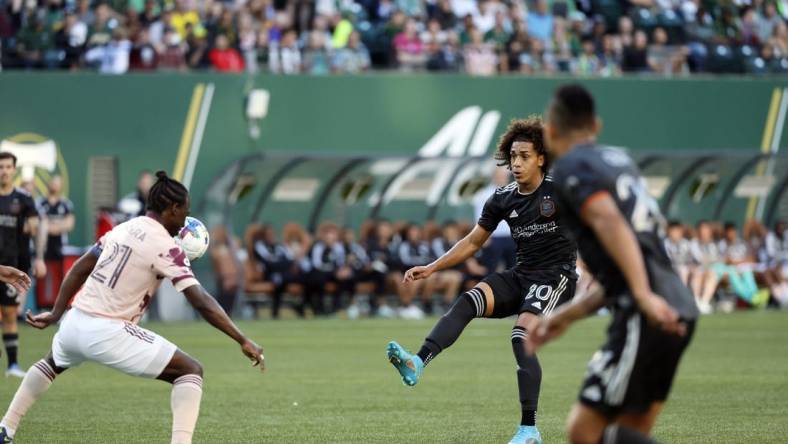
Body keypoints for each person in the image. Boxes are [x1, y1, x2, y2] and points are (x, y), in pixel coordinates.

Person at [0, 171, 264, 444]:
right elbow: (200, 300)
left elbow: (80, 267)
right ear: (173, 208)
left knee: (51, 363)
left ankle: (6, 427)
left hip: (74, 321)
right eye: (184, 211)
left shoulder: (124, 227)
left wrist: (57, 312)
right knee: (190, 371)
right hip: (108, 331)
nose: (185, 220)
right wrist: (242, 338)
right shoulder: (166, 246)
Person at [386, 117, 578, 444]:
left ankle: (529, 429)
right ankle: (417, 363)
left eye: (524, 156)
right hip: (522, 274)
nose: (516, 163)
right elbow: (473, 242)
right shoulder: (502, 198)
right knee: (468, 300)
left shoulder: (559, 192)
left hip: (556, 275)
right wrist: (432, 268)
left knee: (521, 336)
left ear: (541, 158)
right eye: (513, 156)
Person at [531, 84, 697, 444]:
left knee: (585, 430)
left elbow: (609, 221)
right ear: (596, 126)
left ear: (551, 130)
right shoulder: (618, 162)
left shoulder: (571, 166)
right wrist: (562, 317)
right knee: (628, 432)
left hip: (646, 310)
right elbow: (623, 261)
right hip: (677, 304)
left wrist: (642, 296)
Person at [0, 152, 47, 378]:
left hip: (12, 267)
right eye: (1, 167)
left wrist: (38, 257)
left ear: (14, 170)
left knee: (10, 314)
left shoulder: (24, 199)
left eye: (8, 167)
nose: (4, 171)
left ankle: (12, 365)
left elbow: (36, 228)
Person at [35, 175, 75, 310]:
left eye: (58, 183)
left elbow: (69, 224)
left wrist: (48, 226)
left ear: (61, 186)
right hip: (41, 248)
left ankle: (59, 308)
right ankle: (41, 306)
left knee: (62, 278)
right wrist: (56, 225)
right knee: (41, 276)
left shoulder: (66, 204)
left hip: (60, 247)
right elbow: (37, 224)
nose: (55, 186)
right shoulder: (39, 203)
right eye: (53, 183)